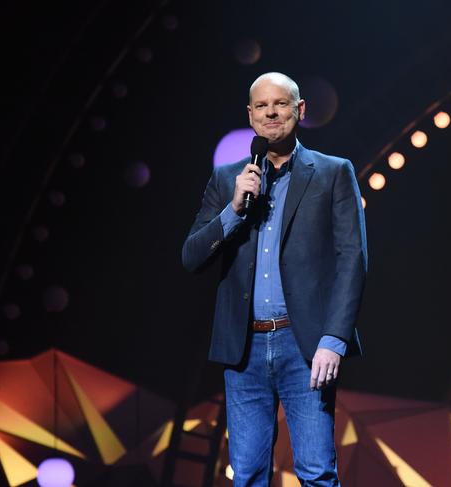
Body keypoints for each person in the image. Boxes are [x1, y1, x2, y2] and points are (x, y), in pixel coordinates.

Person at [182, 72, 367, 486]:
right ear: (250, 116)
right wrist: (232, 210)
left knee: (317, 472)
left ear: (299, 111)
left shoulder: (333, 172)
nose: (271, 112)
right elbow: (192, 256)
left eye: (280, 104)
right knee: (246, 475)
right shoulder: (228, 178)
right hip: (243, 348)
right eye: (261, 106)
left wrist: (334, 340)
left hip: (304, 346)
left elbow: (352, 259)